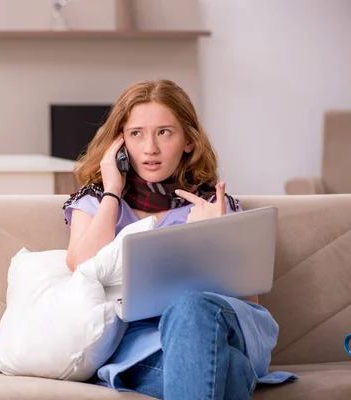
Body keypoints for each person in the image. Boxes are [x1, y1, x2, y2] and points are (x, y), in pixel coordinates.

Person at [62, 79, 297, 399]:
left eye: (164, 132)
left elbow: (247, 303)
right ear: (119, 144)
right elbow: (82, 264)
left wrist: (214, 240)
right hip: (143, 347)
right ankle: (232, 370)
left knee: (189, 307)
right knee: (230, 371)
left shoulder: (212, 204)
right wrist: (112, 191)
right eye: (136, 134)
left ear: (188, 140)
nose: (150, 149)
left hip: (215, 326)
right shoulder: (97, 201)